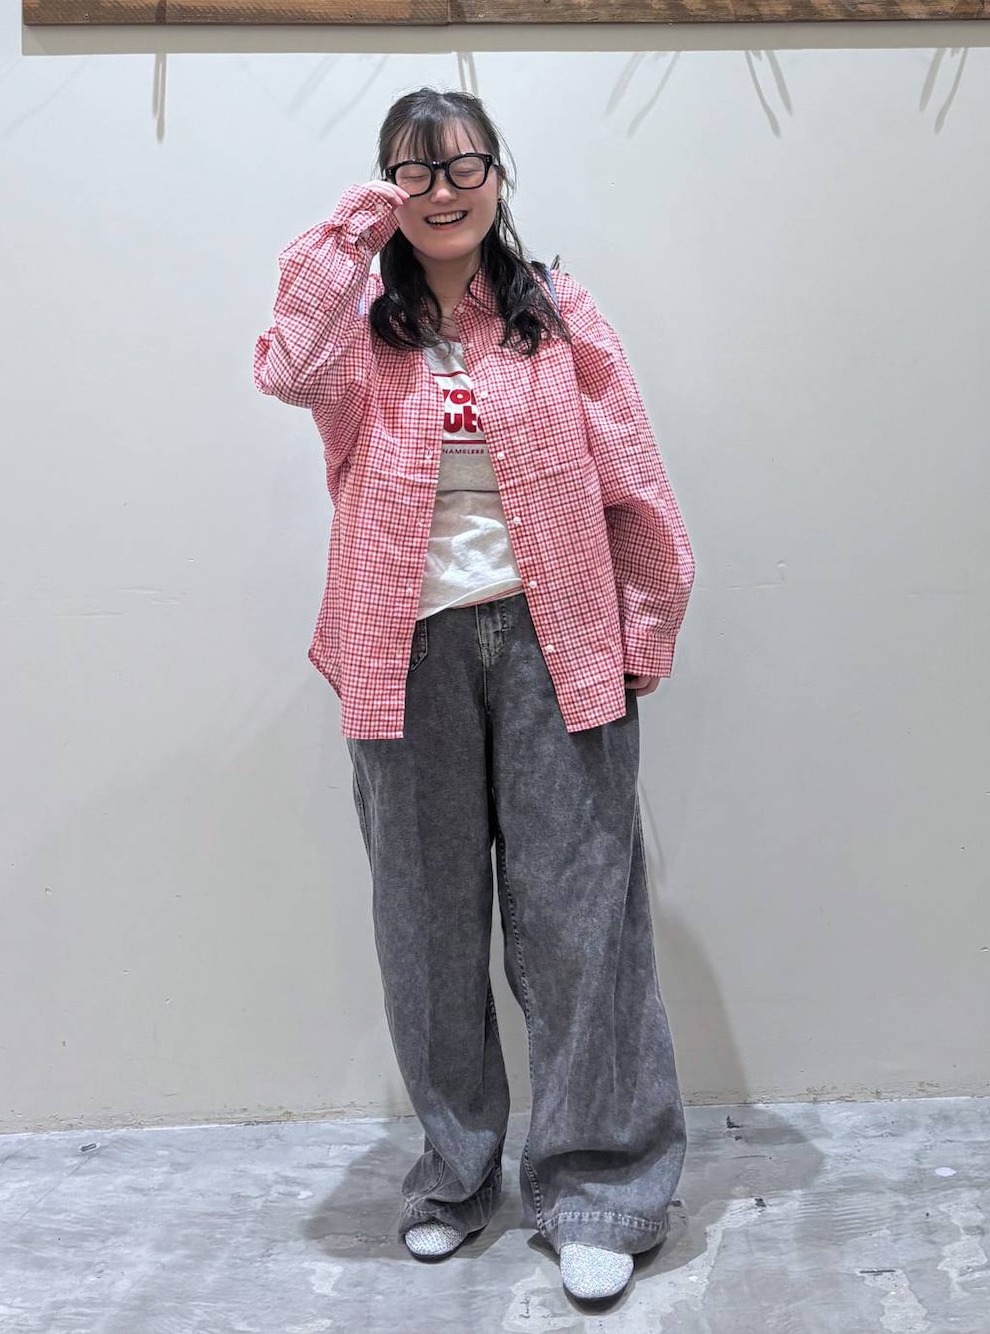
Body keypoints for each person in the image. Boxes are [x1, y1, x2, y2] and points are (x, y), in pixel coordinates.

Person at [254, 86, 694, 1305]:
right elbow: (283, 365)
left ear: (500, 175)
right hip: (404, 650)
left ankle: (602, 1186)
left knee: (580, 924)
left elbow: (633, 475)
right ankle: (453, 1176)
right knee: (427, 923)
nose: (442, 192)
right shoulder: (360, 330)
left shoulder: (557, 311)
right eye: (415, 170)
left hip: (560, 642)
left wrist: (645, 619)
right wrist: (357, 226)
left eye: (464, 168)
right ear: (386, 186)